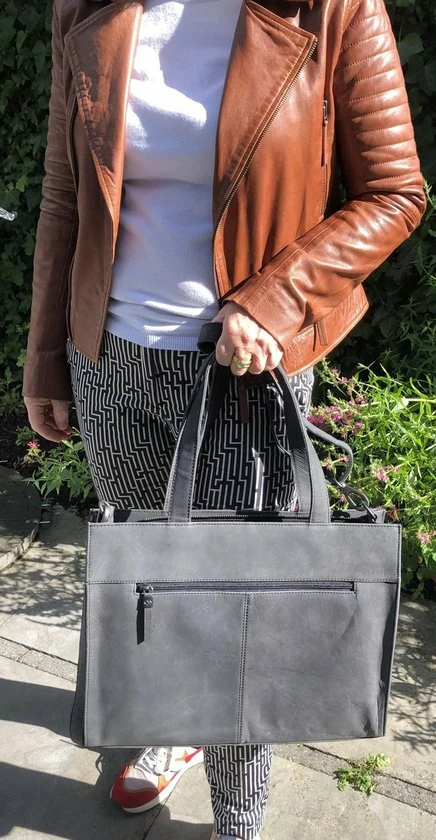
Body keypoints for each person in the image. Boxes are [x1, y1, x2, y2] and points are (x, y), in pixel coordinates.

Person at [23, 0, 425, 837]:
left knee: (243, 621)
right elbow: (64, 197)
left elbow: (394, 193)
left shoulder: (332, 8)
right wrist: (47, 358)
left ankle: (239, 823)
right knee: (157, 600)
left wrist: (272, 301)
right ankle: (178, 730)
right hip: (110, 365)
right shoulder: (88, 7)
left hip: (244, 378)